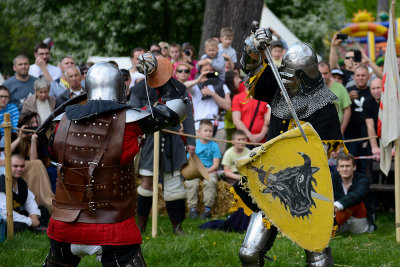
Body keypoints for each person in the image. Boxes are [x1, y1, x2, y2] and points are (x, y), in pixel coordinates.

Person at [42, 54, 187, 266]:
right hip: (113, 229)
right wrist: (158, 72)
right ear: (121, 88)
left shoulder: (61, 122)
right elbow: (177, 108)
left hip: (63, 226)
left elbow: (52, 153)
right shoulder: (129, 123)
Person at [233, 28, 344, 266]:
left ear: (304, 76)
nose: (284, 79)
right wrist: (253, 47)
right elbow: (250, 69)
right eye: (282, 73)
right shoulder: (279, 90)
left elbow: (319, 157)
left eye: (290, 75)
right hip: (270, 181)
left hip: (306, 190)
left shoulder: (324, 107)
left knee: (318, 260)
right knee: (249, 254)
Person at [130, 54, 196, 235]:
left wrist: (191, 141)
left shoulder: (179, 89)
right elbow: (132, 114)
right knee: (146, 182)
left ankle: (177, 226)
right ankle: (141, 225)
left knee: (174, 182)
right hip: (149, 141)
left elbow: (187, 116)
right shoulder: (138, 91)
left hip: (172, 140)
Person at [11, 112, 54, 212]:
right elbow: (7, 152)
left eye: (36, 122)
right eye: (31, 122)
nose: (35, 124)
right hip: (15, 167)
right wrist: (19, 138)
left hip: (31, 168)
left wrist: (33, 140)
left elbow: (33, 160)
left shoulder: (38, 138)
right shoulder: (13, 135)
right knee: (37, 163)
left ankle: (43, 201)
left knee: (37, 163)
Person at [0, 154, 49, 233]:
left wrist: (34, 215)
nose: (19, 169)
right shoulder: (1, 183)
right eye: (15, 166)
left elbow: (30, 200)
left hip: (18, 213)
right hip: (5, 218)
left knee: (43, 210)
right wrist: (29, 221)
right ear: (7, 166)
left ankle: (38, 228)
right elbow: (5, 213)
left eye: (22, 166)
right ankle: (36, 228)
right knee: (16, 225)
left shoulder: (21, 183)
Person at [189, 63, 231, 154]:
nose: (208, 72)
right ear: (200, 71)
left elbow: (227, 106)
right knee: (199, 158)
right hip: (199, 127)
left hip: (218, 126)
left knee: (218, 158)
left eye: (211, 70)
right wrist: (198, 80)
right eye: (205, 70)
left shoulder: (221, 85)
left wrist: (212, 94)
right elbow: (182, 87)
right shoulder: (195, 86)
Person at [185, 119, 221, 219]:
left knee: (210, 182)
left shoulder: (214, 146)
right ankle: (192, 208)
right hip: (196, 169)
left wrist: (205, 171)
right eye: (206, 131)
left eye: (210, 131)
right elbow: (190, 160)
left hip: (209, 169)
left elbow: (216, 164)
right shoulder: (194, 145)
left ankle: (207, 209)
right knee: (190, 183)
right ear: (199, 132)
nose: (208, 133)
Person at [332, 153, 376, 234]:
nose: (345, 169)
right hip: (342, 219)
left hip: (359, 222)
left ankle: (328, 230)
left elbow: (358, 194)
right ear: (337, 168)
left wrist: (337, 205)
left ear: (354, 167)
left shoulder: (363, 179)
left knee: (355, 202)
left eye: (348, 166)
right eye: (342, 166)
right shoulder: (333, 179)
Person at [344, 65, 371, 174]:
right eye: (358, 75)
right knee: (351, 167)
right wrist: (348, 100)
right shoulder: (347, 91)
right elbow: (339, 110)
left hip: (368, 137)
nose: (360, 78)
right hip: (351, 137)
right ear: (354, 77)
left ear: (368, 77)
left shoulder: (372, 91)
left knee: (366, 168)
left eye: (363, 75)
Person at [231, 80, 270, 144]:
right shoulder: (237, 98)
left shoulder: (264, 98)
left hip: (261, 140)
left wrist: (261, 136)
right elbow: (236, 120)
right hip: (243, 140)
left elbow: (267, 121)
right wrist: (249, 136)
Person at [318, 61, 351, 135]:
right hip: (318, 133)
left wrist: (341, 130)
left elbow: (347, 109)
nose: (323, 76)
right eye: (320, 73)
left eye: (325, 73)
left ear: (330, 73)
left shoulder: (340, 87)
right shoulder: (312, 90)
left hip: (336, 131)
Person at [363, 78, 382, 161]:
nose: (376, 91)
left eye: (378, 88)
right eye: (373, 88)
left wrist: (394, 146)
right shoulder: (367, 102)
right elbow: (370, 126)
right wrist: (375, 148)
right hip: (375, 136)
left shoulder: (392, 101)